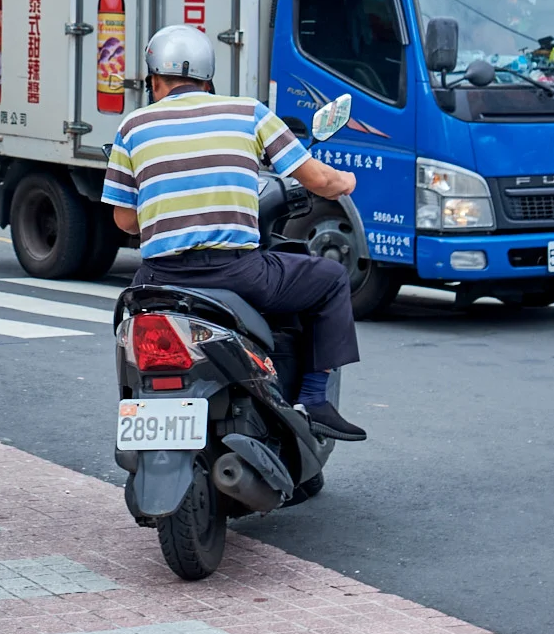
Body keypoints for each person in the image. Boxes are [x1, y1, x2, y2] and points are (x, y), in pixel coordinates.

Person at [101, 25, 367, 441]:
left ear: (153, 81)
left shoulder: (132, 127)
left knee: (133, 330)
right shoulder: (248, 113)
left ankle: (137, 401)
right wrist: (346, 182)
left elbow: (124, 221)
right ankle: (315, 399)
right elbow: (318, 181)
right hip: (238, 274)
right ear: (208, 81)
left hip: (159, 279)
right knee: (331, 278)